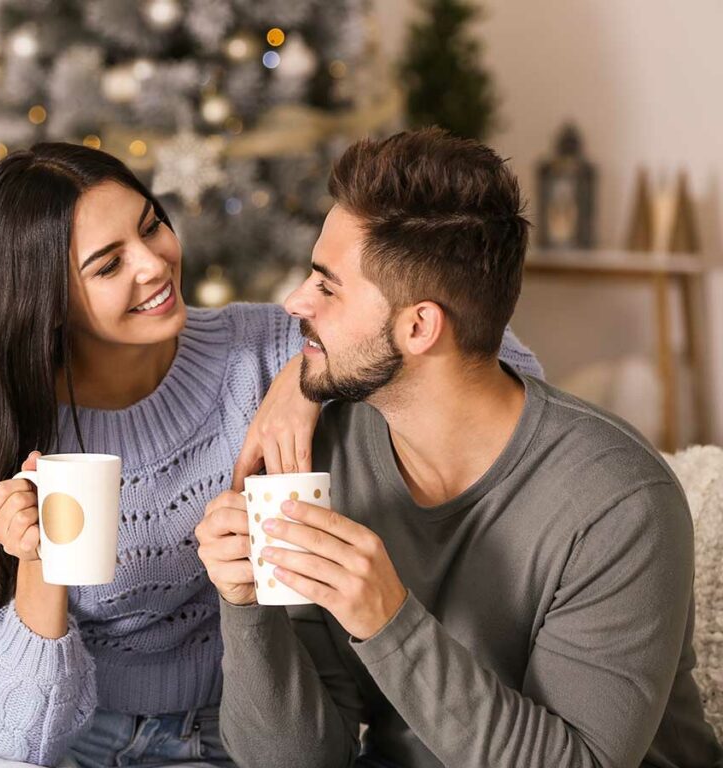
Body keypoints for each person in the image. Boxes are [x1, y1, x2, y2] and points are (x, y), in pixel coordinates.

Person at [0, 141, 542, 768]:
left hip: (226, 737)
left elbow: (498, 358)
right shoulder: (11, 423)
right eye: (107, 265)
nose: (152, 265)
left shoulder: (258, 351)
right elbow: (16, 737)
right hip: (74, 735)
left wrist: (301, 378)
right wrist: (37, 562)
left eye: (151, 227)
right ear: (44, 301)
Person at [197, 128, 723, 768]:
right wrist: (246, 608)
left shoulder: (618, 502)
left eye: (327, 287)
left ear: (419, 326)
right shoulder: (330, 453)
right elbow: (299, 760)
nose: (295, 302)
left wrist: (387, 620)